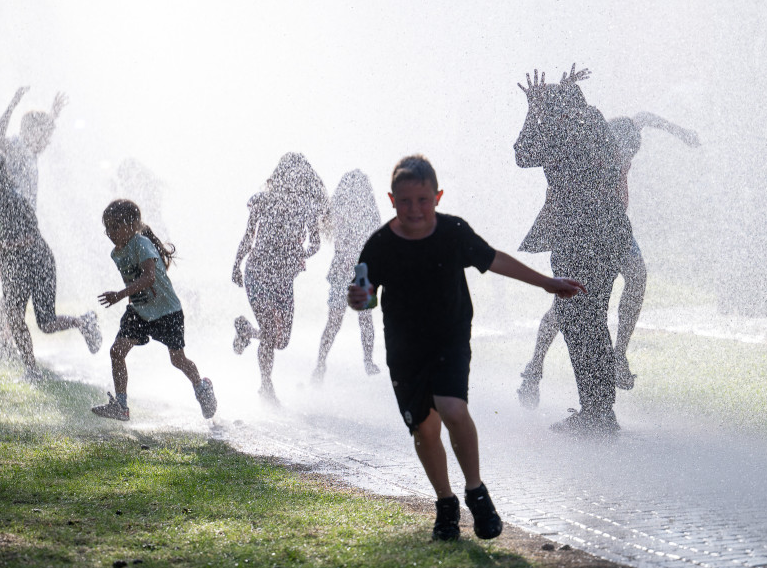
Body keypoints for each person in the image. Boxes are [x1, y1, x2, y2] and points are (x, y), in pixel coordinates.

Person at [348, 155, 584, 542]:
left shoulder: (453, 232)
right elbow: (366, 296)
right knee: (424, 428)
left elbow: (493, 260)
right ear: (391, 199)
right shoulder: (380, 244)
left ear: (437, 196)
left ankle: (476, 493)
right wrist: (359, 298)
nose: (414, 209)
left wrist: (545, 281)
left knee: (453, 408)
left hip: (449, 337)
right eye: (405, 201)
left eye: (422, 199)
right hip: (405, 348)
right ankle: (446, 504)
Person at [517, 109, 701, 406]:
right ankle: (534, 368)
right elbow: (557, 192)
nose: (623, 162)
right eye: (618, 155)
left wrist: (681, 133)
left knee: (638, 276)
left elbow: (645, 117)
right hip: (586, 233)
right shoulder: (586, 156)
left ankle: (619, 355)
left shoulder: (626, 136)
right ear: (605, 144)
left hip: (615, 229)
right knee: (564, 306)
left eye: (627, 158)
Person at [514, 65, 632, 434]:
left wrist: (534, 108)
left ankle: (595, 413)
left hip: (579, 241)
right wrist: (560, 93)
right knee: (592, 319)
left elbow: (522, 154)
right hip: (610, 237)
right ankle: (601, 410)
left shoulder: (560, 131)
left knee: (577, 322)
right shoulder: (595, 122)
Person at [0, 150, 101, 381]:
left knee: (46, 323)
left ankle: (83, 321)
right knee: (15, 317)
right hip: (13, 264)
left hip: (37, 262)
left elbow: (28, 238)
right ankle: (32, 371)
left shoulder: (12, 197)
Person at [91, 199, 216, 421]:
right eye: (107, 227)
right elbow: (132, 277)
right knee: (116, 352)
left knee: (178, 360)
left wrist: (119, 295)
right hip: (139, 311)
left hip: (167, 311)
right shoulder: (116, 253)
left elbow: (149, 277)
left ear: (132, 225)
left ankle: (202, 387)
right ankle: (121, 406)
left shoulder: (141, 244)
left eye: (114, 226)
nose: (109, 232)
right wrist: (130, 302)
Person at [232, 152, 328, 402]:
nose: (292, 183)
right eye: (288, 177)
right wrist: (236, 264)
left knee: (281, 341)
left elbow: (315, 243)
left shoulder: (306, 209)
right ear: (280, 177)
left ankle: (246, 332)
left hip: (283, 281)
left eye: (298, 179)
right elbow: (248, 237)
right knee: (269, 330)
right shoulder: (262, 201)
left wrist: (301, 254)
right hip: (257, 273)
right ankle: (266, 385)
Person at [0, 86, 68, 359]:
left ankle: (0, 344)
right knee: (12, 290)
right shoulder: (18, 147)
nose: (48, 142)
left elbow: (40, 132)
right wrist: (13, 103)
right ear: (32, 132)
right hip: (11, 228)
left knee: (15, 290)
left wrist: (53, 115)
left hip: (24, 228)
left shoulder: (30, 151)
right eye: (45, 136)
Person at [312, 169, 382, 382]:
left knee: (340, 320)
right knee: (357, 319)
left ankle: (323, 363)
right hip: (356, 270)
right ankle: (363, 362)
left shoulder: (344, 209)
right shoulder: (363, 211)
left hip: (351, 270)